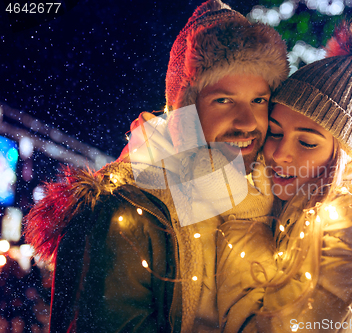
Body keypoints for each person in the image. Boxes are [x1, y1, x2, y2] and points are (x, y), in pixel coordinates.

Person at [24, 0, 288, 332]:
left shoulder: (275, 199)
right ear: (185, 109)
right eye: (224, 100)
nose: (248, 122)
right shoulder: (126, 210)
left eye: (259, 100)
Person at [217, 22, 352, 332]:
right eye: (274, 132)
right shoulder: (285, 186)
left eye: (306, 142)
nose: (279, 153)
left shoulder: (348, 224)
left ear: (340, 154)